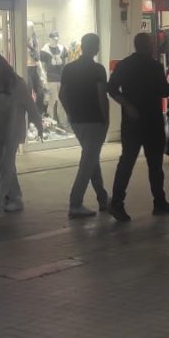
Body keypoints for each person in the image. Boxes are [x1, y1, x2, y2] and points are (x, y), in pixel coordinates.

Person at [106, 32, 169, 222]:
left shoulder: (125, 64)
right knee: (155, 164)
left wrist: (127, 105)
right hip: (152, 120)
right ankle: (159, 202)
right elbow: (164, 91)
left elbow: (111, 88)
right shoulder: (154, 66)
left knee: (127, 161)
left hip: (132, 121)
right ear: (149, 46)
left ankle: (117, 202)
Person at [0, 55, 43, 214]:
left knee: (7, 164)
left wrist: (39, 125)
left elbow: (30, 106)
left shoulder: (18, 84)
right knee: (6, 164)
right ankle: (16, 197)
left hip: (12, 130)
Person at [60, 33, 111, 218]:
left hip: (77, 120)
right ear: (96, 47)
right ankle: (75, 202)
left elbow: (62, 95)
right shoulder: (98, 69)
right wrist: (106, 119)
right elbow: (101, 96)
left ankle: (103, 198)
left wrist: (71, 113)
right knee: (88, 161)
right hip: (94, 119)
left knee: (92, 159)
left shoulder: (68, 68)